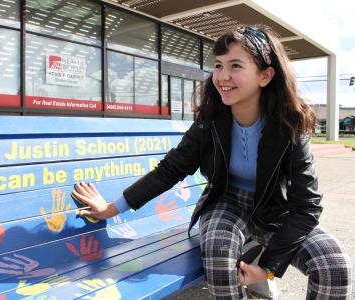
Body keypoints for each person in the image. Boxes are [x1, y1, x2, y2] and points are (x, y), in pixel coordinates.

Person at [72, 25, 353, 299]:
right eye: (218, 65)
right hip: (226, 202)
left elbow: (307, 205)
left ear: (265, 75)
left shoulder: (290, 125)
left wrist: (267, 267)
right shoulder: (209, 122)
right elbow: (170, 170)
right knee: (219, 249)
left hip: (275, 211)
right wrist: (111, 209)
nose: (222, 76)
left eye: (235, 66)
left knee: (334, 266)